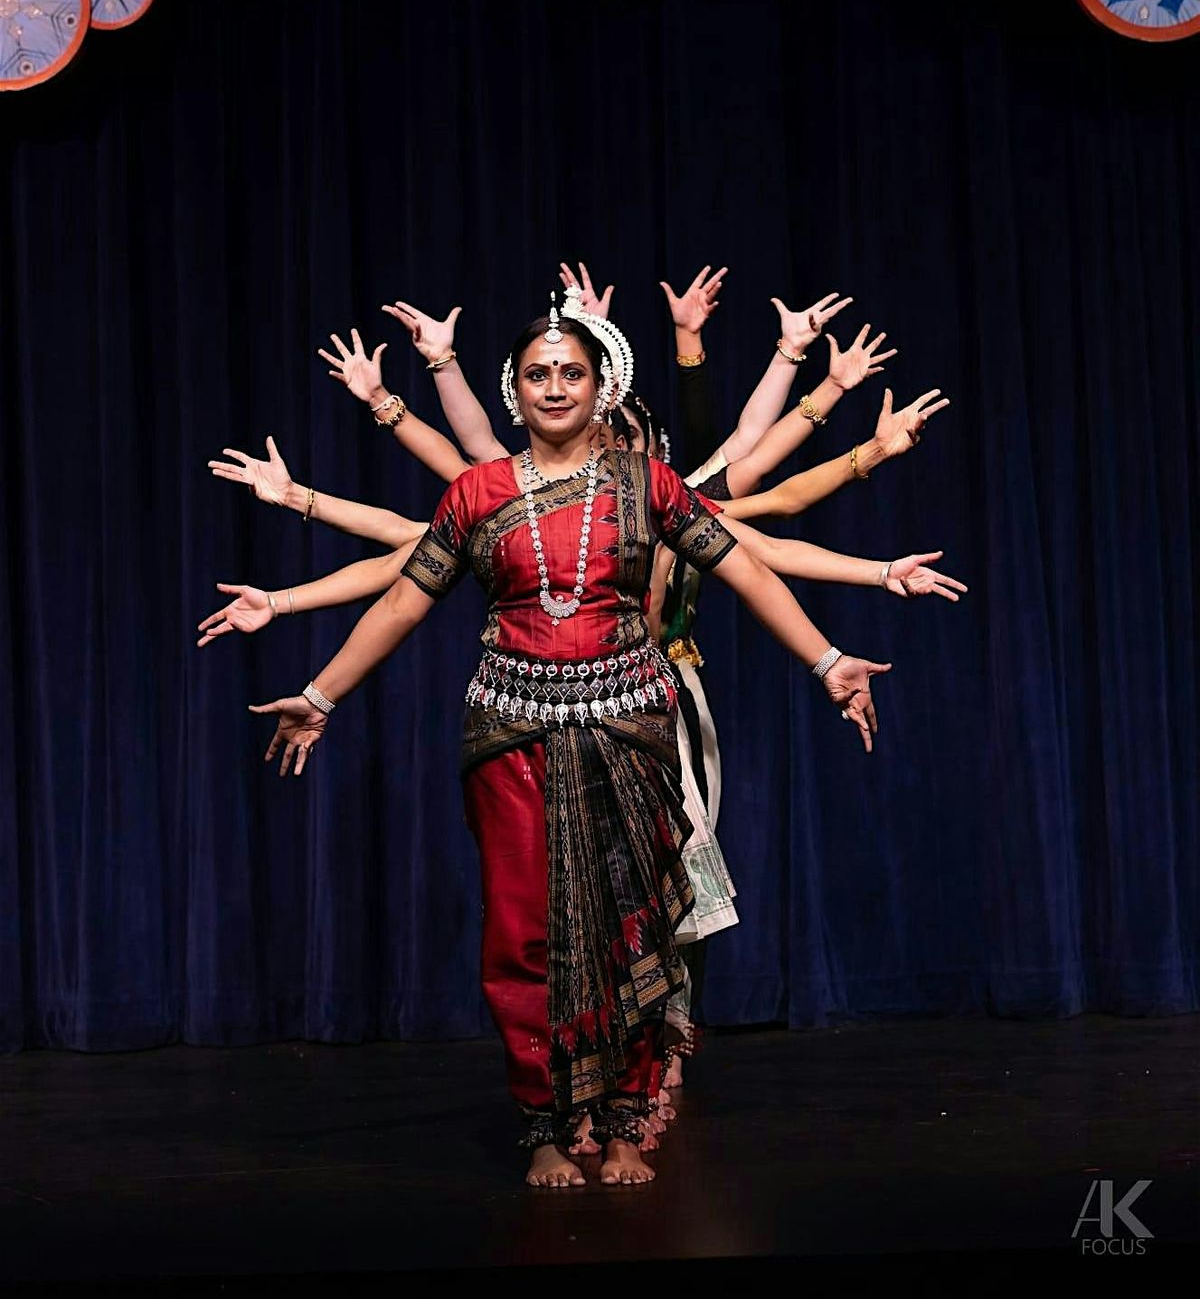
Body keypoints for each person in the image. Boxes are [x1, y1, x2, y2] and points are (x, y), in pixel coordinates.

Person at [243, 299, 891, 1188]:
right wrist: (321, 693)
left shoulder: (648, 484)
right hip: (511, 734)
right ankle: (547, 1125)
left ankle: (624, 1119)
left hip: (633, 728)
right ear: (514, 389)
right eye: (537, 373)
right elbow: (401, 599)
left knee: (635, 924)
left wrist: (827, 662)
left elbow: (745, 565)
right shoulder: (477, 493)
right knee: (523, 934)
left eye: (571, 373)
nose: (554, 386)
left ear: (602, 385)